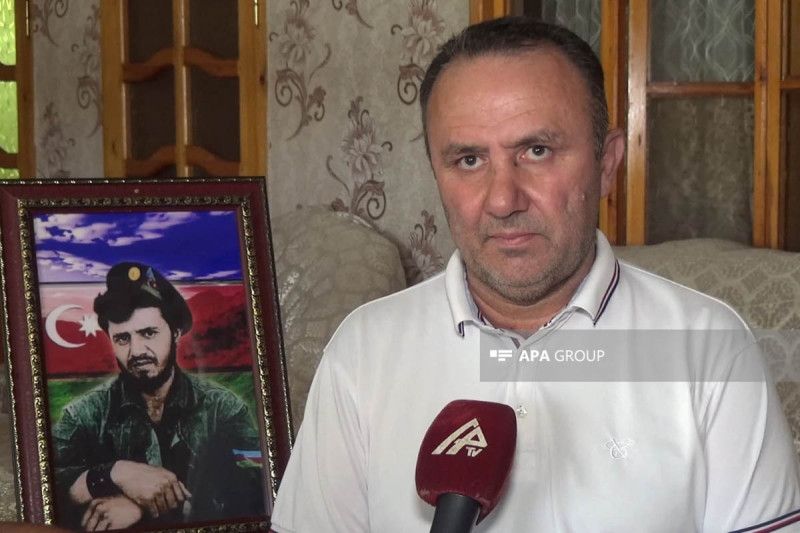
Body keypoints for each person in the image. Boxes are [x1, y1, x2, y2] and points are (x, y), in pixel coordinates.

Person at [270, 16, 800, 532]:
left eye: (537, 151)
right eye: (469, 160)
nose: (503, 200)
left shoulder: (709, 348)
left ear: (607, 164)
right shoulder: (363, 352)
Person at [51, 262, 265, 531]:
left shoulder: (223, 408)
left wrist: (141, 507)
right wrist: (114, 473)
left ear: (175, 333)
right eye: (122, 339)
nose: (136, 351)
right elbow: (49, 487)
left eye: (148, 333)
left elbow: (259, 491)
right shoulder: (83, 415)